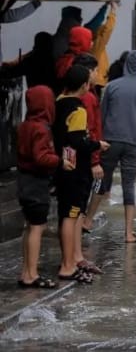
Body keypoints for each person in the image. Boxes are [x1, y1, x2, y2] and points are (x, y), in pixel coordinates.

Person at [85, 51, 136, 243]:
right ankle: (129, 232)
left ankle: (88, 220)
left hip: (110, 141)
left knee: (102, 181)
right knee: (129, 185)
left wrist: (99, 144)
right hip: (135, 144)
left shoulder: (111, 87)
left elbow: (102, 116)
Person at [53, 65, 108, 284]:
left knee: (70, 215)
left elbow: (66, 142)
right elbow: (77, 142)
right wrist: (97, 145)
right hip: (74, 173)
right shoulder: (78, 110)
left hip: (64, 168)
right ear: (84, 85)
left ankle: (74, 259)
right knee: (71, 216)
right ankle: (68, 265)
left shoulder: (58, 103)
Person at [15, 86, 64, 289]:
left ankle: (26, 271)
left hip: (23, 181)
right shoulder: (41, 129)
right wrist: (60, 161)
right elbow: (41, 157)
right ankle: (32, 275)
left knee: (29, 226)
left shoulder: (24, 125)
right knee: (37, 227)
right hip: (36, 183)